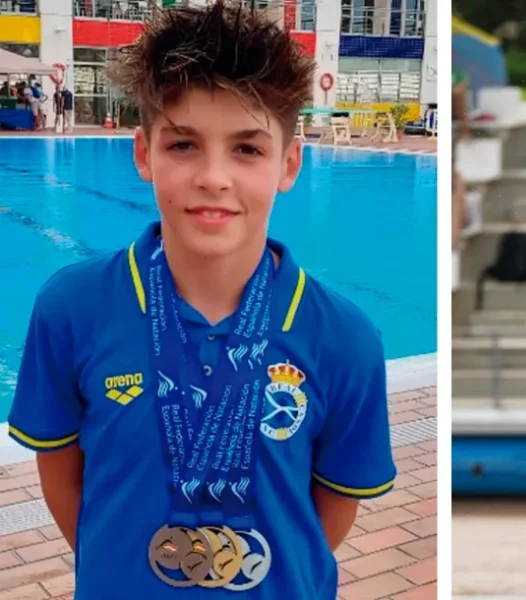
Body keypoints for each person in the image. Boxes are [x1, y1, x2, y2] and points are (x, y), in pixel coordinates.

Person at [8, 2, 396, 598]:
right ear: (144, 154)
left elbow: (333, 508)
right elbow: (61, 476)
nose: (214, 177)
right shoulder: (73, 308)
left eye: (247, 149)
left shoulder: (345, 338)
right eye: (184, 145)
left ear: (288, 164)